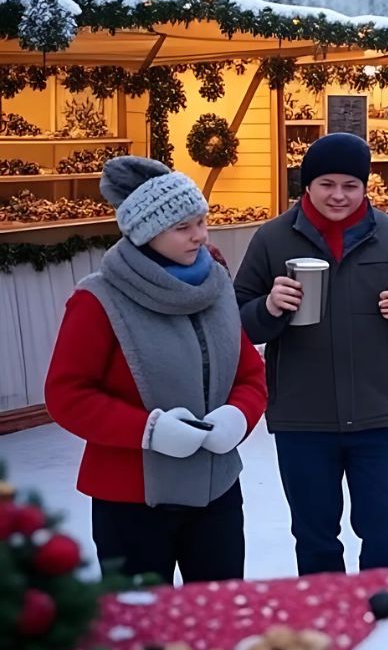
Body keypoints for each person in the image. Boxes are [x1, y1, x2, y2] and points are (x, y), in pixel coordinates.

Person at [45, 157, 267, 583]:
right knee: (143, 632)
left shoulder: (216, 285)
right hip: (131, 502)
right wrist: (149, 430)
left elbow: (249, 373)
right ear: (147, 233)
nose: (200, 235)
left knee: (217, 621)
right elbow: (67, 395)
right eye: (183, 228)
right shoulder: (98, 300)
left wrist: (238, 415)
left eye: (202, 221)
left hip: (215, 492)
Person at [234, 133, 388, 575]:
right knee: (314, 536)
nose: (339, 195)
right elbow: (236, 317)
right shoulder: (273, 239)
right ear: (306, 185)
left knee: (387, 529)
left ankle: (384, 623)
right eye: (326, 183)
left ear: (366, 186)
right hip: (303, 419)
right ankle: (326, 628)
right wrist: (269, 308)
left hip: (379, 414)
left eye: (350, 185)